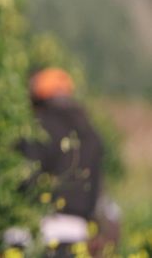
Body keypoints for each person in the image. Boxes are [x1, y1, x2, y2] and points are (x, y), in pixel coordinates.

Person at [19, 68, 105, 257]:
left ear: (38, 99)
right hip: (78, 235)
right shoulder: (91, 133)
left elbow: (25, 178)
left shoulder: (37, 127)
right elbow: (97, 190)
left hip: (38, 232)